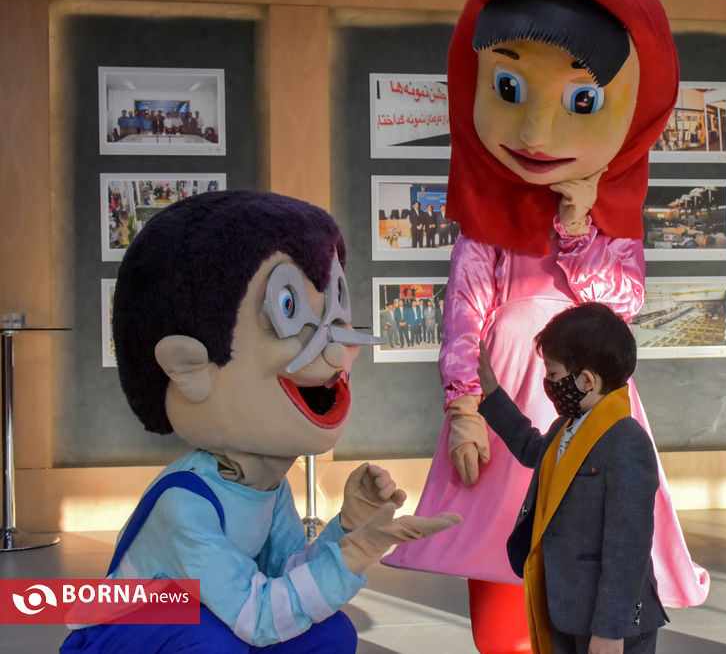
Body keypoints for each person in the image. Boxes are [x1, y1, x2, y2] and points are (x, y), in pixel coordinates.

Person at [382, 0, 709, 653]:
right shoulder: (487, 222)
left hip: (586, 397)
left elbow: (620, 306)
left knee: (596, 532)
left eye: (581, 100)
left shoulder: (612, 222)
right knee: (499, 546)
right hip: (505, 393)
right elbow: (463, 312)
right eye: (509, 88)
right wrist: (464, 405)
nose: (535, 133)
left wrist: (579, 227)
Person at [61, 191, 458, 652]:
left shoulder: (267, 486)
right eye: (288, 308)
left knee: (331, 633)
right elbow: (260, 618)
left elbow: (286, 578)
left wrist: (349, 526)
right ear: (188, 368)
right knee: (211, 644)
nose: (338, 352)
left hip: (206, 616)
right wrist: (358, 552)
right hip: (120, 632)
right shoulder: (183, 504)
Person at [477, 303, 667, 654]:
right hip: (565, 606)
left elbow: (628, 547)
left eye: (553, 374)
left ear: (587, 381)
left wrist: (610, 630)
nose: (548, 384)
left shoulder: (626, 441)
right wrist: (493, 395)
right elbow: (534, 451)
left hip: (609, 621)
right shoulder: (565, 427)